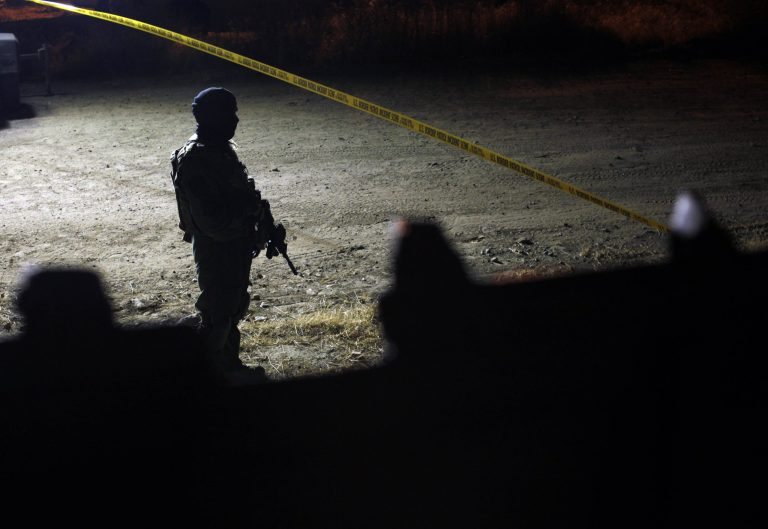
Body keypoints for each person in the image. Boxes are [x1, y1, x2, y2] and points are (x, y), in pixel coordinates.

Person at [170, 87, 271, 382]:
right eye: (229, 113)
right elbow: (212, 220)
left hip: (234, 243)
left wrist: (260, 222)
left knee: (231, 307)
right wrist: (248, 219)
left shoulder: (220, 149)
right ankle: (206, 372)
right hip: (217, 246)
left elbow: (241, 193)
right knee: (217, 314)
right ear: (211, 117)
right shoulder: (196, 158)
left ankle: (228, 366)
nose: (235, 119)